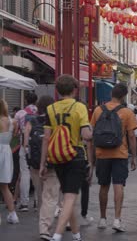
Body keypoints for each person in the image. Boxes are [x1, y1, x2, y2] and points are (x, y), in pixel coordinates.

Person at [40, 74, 93, 241]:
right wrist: (92, 133)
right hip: (75, 154)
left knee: (67, 195)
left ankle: (76, 234)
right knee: (70, 197)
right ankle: (57, 235)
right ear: (74, 90)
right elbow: (85, 135)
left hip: (56, 156)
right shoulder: (79, 107)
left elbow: (46, 138)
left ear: (58, 90)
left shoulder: (51, 109)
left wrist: (43, 163)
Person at [90, 83, 137, 233]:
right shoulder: (127, 112)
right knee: (118, 185)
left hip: (102, 154)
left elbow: (92, 135)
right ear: (123, 96)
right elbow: (131, 136)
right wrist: (134, 157)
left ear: (111, 94)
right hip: (120, 154)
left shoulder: (98, 110)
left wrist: (91, 160)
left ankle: (102, 219)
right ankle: (117, 219)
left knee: (103, 186)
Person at [22, 95, 58, 239]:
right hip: (51, 162)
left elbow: (25, 143)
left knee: (40, 194)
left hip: (35, 163)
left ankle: (42, 225)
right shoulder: (55, 120)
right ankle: (47, 226)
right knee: (50, 195)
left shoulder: (31, 120)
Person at [14, 92, 38, 212]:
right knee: (38, 173)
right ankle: (37, 202)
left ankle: (24, 203)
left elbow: (16, 131)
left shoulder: (20, 113)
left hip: (25, 145)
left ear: (25, 100)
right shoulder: (41, 112)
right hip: (38, 146)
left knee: (25, 173)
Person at [0, 99, 19, 225]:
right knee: (5, 186)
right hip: (6, 151)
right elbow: (14, 137)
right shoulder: (13, 121)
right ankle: (13, 215)